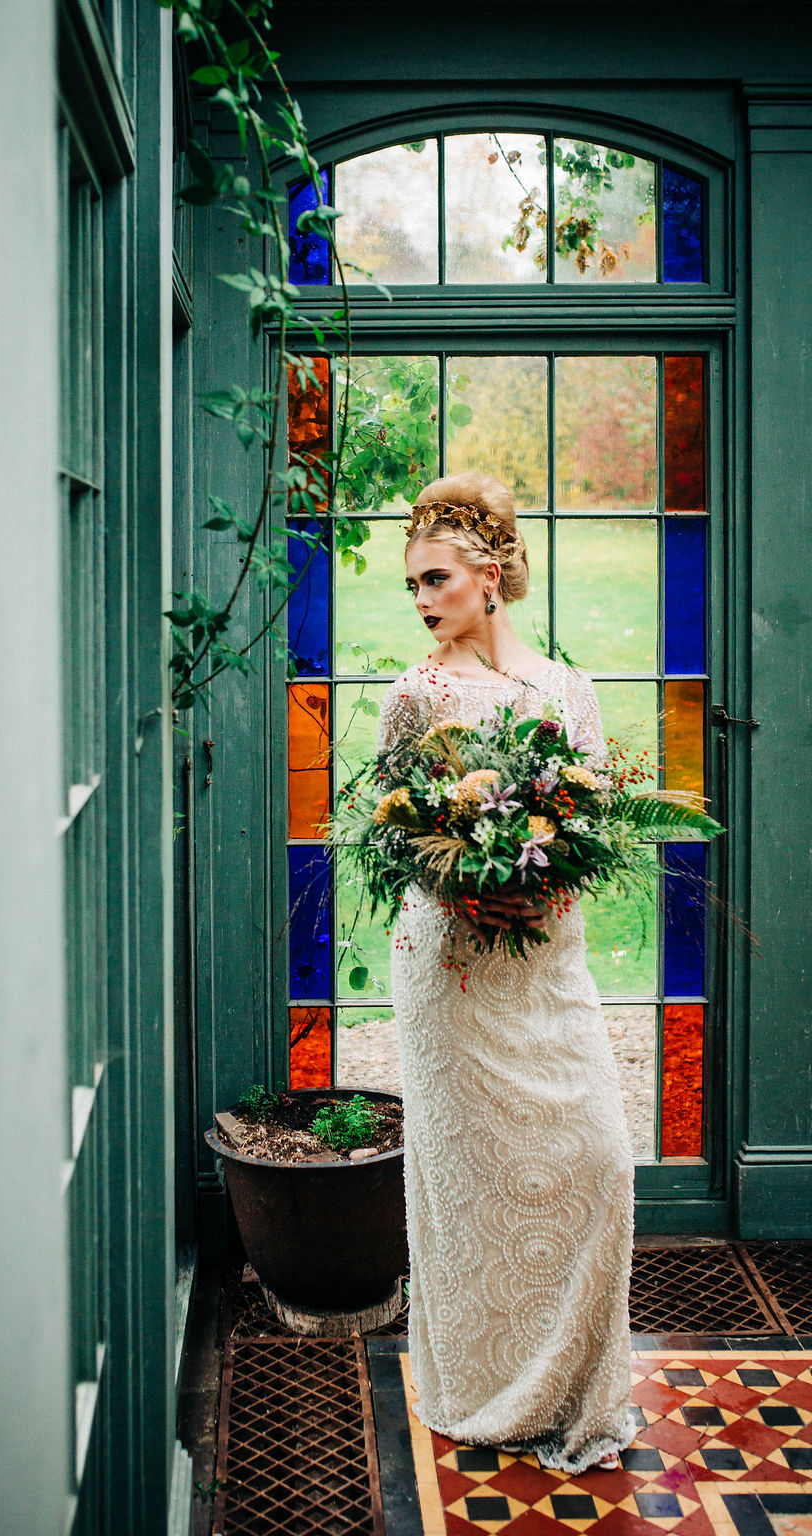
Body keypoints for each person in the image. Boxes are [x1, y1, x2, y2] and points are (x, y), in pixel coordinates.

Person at [377, 468, 636, 1474]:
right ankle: (478, 1388)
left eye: (435, 579)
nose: (422, 600)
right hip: (450, 967)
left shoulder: (565, 690)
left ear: (489, 575)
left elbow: (596, 827)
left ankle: (571, 1387)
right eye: (412, 586)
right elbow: (388, 840)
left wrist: (544, 886)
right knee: (465, 1175)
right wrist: (456, 880)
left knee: (599, 1162)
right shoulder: (414, 694)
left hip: (545, 967)